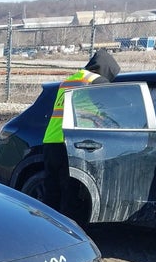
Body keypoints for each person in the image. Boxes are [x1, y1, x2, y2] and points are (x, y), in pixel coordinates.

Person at [42, 49, 121, 214]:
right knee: (70, 193)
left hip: (51, 140)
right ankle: (68, 232)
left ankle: (48, 228)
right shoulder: (97, 81)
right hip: (71, 144)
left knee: (52, 191)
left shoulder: (70, 80)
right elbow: (110, 109)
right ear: (106, 69)